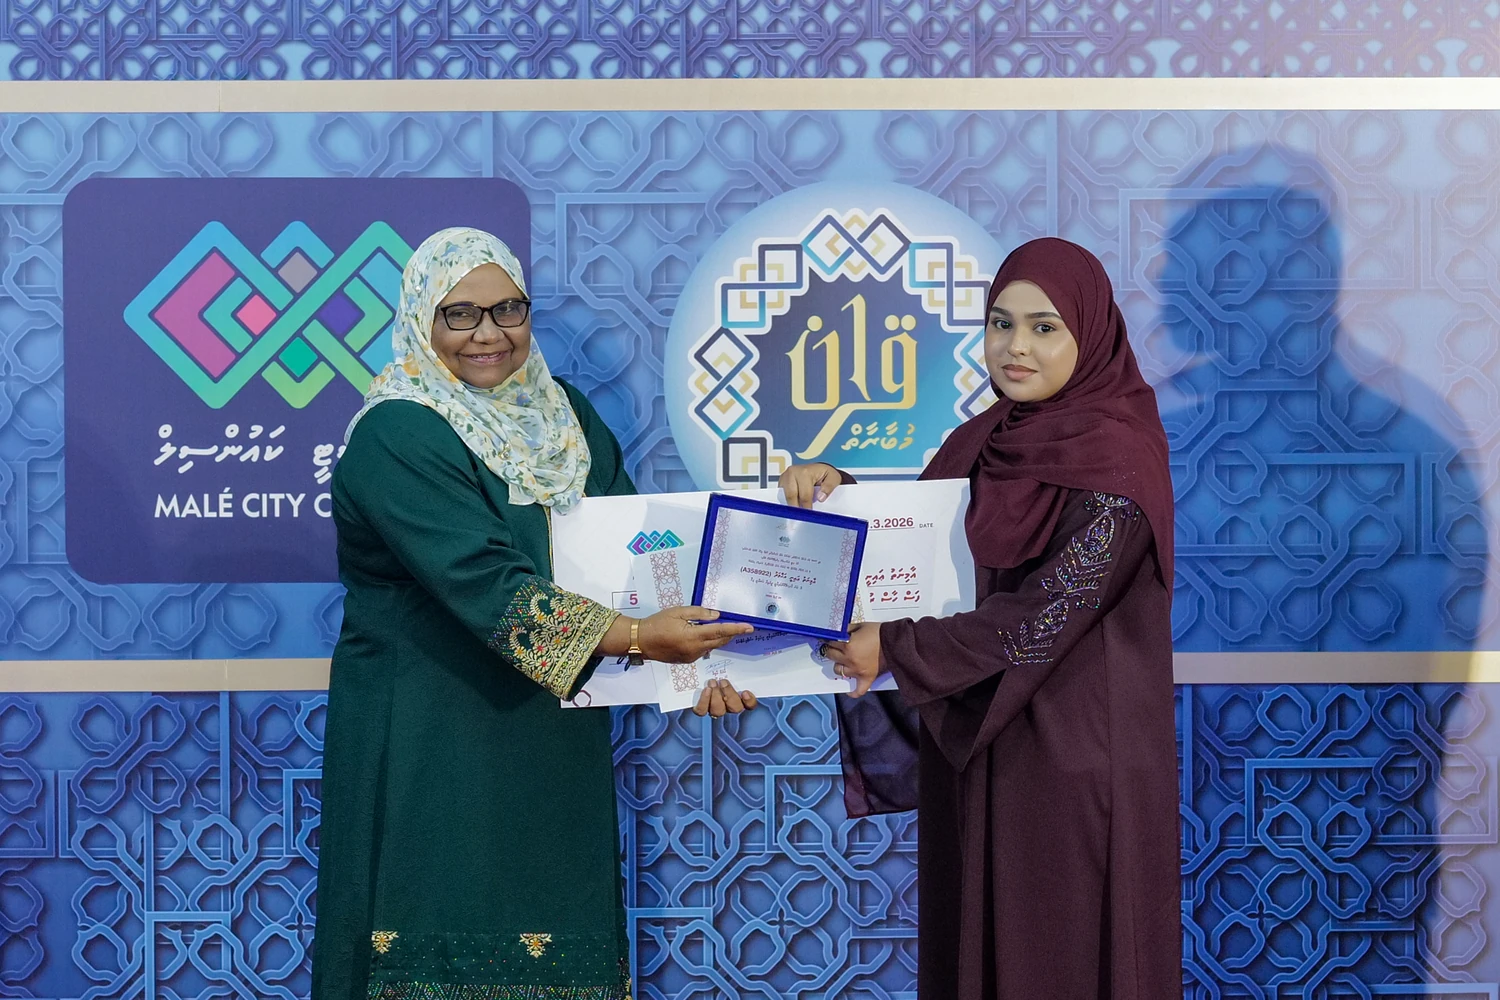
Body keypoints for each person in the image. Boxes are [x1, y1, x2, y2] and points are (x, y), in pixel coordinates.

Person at [312, 227, 756, 1000]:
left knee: (552, 935)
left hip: (552, 734)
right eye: (459, 314)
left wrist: (705, 665)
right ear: (420, 319)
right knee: (426, 936)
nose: (488, 333)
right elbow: (483, 582)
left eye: (507, 309)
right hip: (430, 740)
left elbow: (637, 559)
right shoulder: (396, 433)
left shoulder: (564, 415)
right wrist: (643, 639)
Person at [781, 237, 1181, 998]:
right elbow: (923, 555)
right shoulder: (984, 440)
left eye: (1044, 327)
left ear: (1091, 334)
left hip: (1073, 767)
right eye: (1001, 323)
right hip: (980, 745)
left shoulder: (1119, 463)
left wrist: (896, 649)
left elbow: (1041, 616)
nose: (1015, 346)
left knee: (1063, 961)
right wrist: (839, 495)